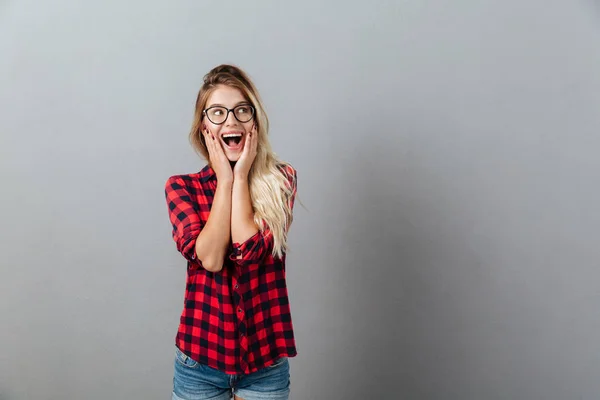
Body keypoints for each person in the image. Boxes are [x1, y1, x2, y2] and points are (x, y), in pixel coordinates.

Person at [164, 64, 298, 400]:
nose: (231, 121)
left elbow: (248, 248)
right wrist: (225, 179)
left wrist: (240, 178)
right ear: (204, 127)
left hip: (265, 367)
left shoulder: (281, 180)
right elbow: (210, 259)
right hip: (200, 366)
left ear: (254, 120)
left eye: (241, 110)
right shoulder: (183, 188)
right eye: (218, 113)